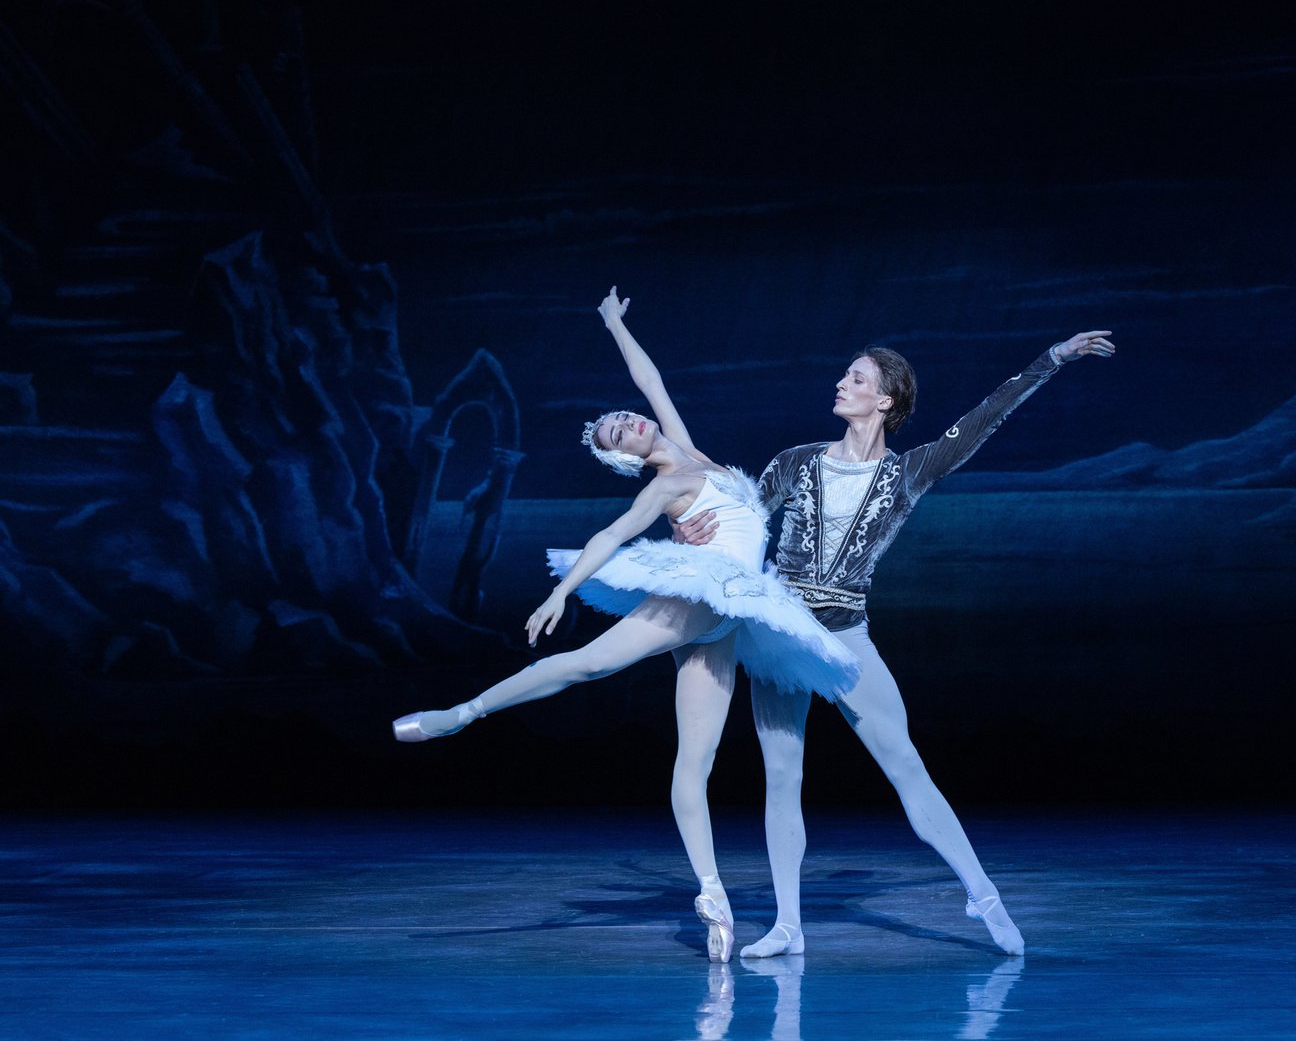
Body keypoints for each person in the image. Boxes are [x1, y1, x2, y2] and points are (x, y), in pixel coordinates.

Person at [391, 288, 859, 964]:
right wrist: (563, 591)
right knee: (590, 662)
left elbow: (651, 381)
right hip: (703, 593)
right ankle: (461, 714)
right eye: (617, 434)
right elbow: (611, 535)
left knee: (694, 762)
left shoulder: (691, 452)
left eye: (620, 419)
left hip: (729, 615)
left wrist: (613, 323)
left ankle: (713, 897)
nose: (626, 422)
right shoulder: (664, 484)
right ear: (629, 458)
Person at [678, 330, 1115, 958]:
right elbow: (741, 520)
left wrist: (1052, 360)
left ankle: (984, 896)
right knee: (782, 776)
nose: (841, 384)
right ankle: (788, 926)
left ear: (885, 400)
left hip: (845, 635)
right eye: (844, 376)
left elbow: (982, 420)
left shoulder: (908, 471)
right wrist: (692, 529)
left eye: (856, 379)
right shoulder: (796, 461)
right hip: (778, 632)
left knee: (906, 767)